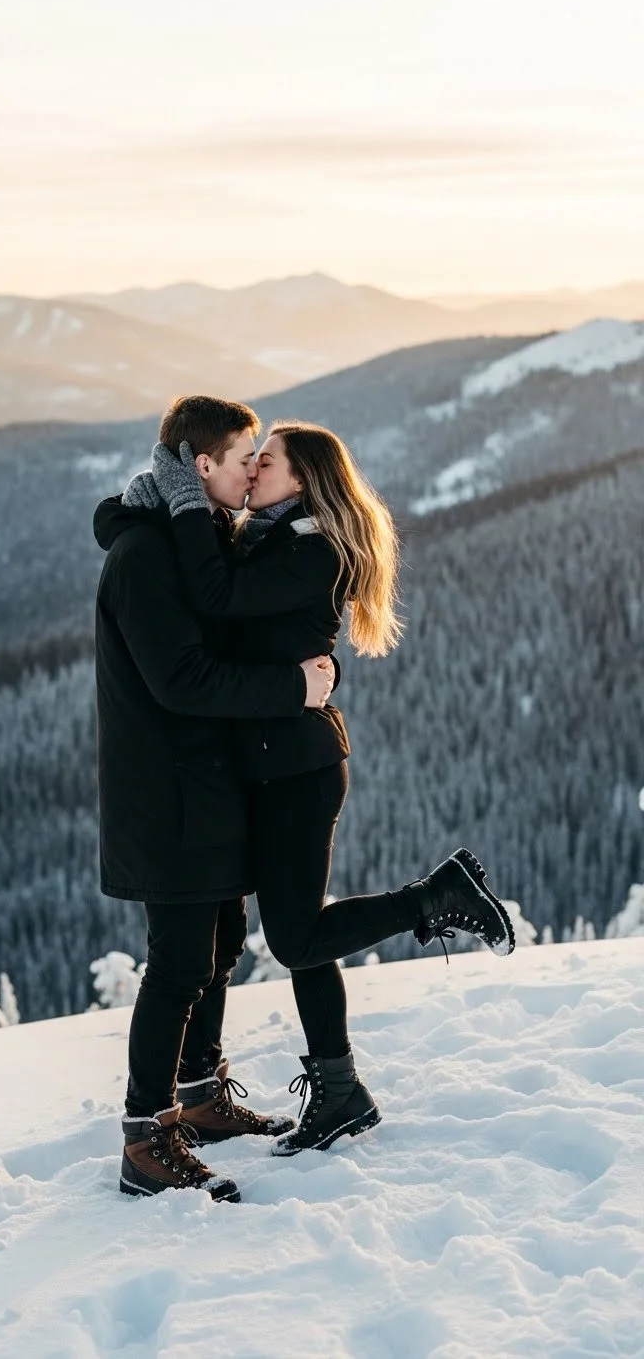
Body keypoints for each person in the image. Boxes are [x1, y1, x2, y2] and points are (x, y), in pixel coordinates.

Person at [141, 420, 516, 1156]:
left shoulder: (309, 552)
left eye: (267, 462)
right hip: (275, 767)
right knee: (304, 932)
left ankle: (436, 897)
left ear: (303, 478)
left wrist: (186, 500)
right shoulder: (275, 538)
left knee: (296, 936)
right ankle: (339, 1091)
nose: (253, 472)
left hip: (299, 772)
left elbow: (217, 598)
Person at [93, 397, 336, 1205]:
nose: (251, 471)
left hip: (206, 786)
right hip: (168, 796)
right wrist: (292, 690)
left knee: (222, 942)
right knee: (178, 963)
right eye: (243, 459)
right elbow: (182, 679)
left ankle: (198, 1090)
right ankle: (146, 1136)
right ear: (203, 467)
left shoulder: (190, 540)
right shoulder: (144, 557)